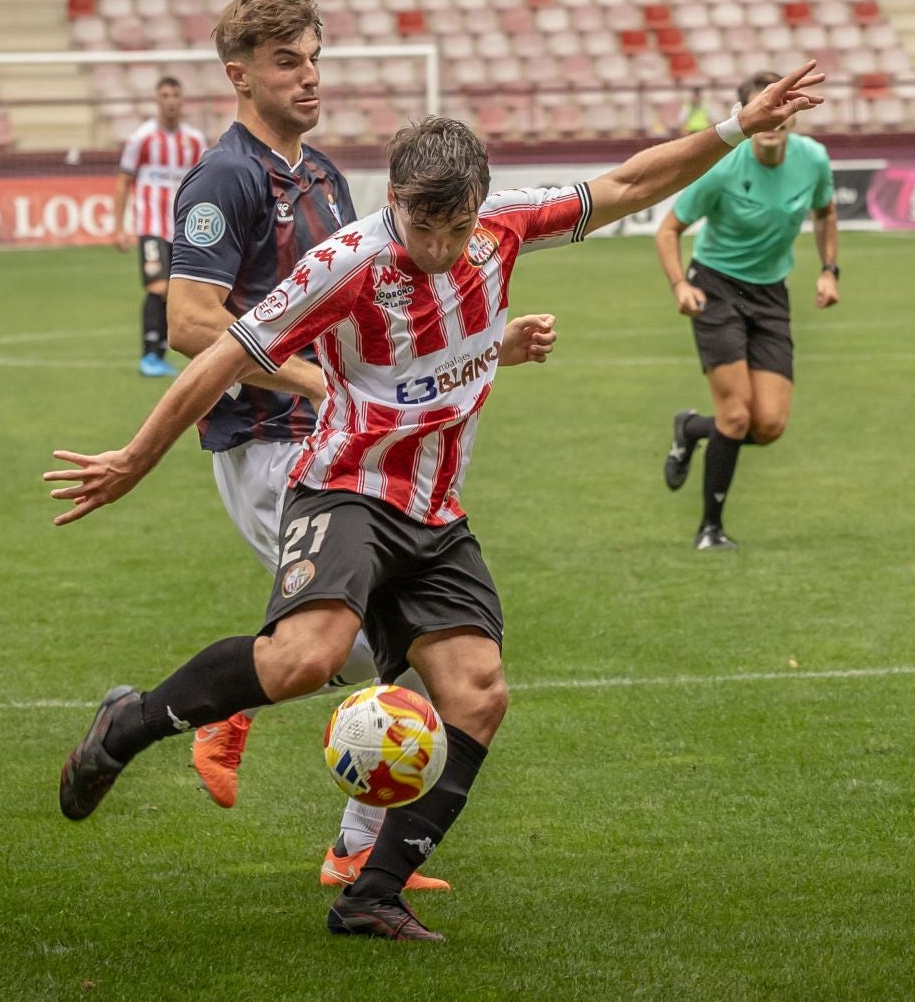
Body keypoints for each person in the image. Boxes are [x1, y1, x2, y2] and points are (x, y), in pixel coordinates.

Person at [45, 64, 825, 942]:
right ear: (396, 203)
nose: (445, 247)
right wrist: (135, 459)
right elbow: (226, 352)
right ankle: (132, 722)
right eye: (426, 225)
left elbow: (630, 181)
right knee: (307, 657)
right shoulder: (346, 265)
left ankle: (370, 894)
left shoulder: (501, 227)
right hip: (343, 486)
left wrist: (731, 124)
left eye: (460, 227)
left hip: (435, 509)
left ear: (481, 206)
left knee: (477, 691)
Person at [162, 0, 555, 893]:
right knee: (395, 651)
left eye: (315, 60)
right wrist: (313, 377)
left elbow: (378, 319)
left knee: (399, 652)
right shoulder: (224, 179)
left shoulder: (328, 175)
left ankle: (346, 834)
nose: (309, 79)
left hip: (343, 441)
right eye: (286, 62)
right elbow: (191, 322)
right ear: (239, 75)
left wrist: (489, 343)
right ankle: (240, 718)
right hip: (272, 439)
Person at [654, 71, 841, 549]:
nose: (774, 120)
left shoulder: (814, 160)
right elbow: (669, 229)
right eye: (763, 108)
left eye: (783, 107)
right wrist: (680, 285)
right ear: (746, 115)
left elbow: (825, 213)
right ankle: (710, 528)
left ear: (793, 113)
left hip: (770, 294)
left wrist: (828, 270)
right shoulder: (721, 167)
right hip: (715, 289)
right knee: (736, 417)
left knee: (769, 425)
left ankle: (692, 427)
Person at [116, 76, 208, 378]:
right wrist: (119, 226)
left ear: (182, 100)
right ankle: (149, 355)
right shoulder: (142, 138)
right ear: (157, 99)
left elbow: (205, 183)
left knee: (181, 291)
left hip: (183, 229)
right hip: (151, 225)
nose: (170, 101)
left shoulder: (194, 141)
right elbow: (123, 182)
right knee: (158, 286)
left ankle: (160, 352)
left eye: (175, 95)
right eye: (165, 95)